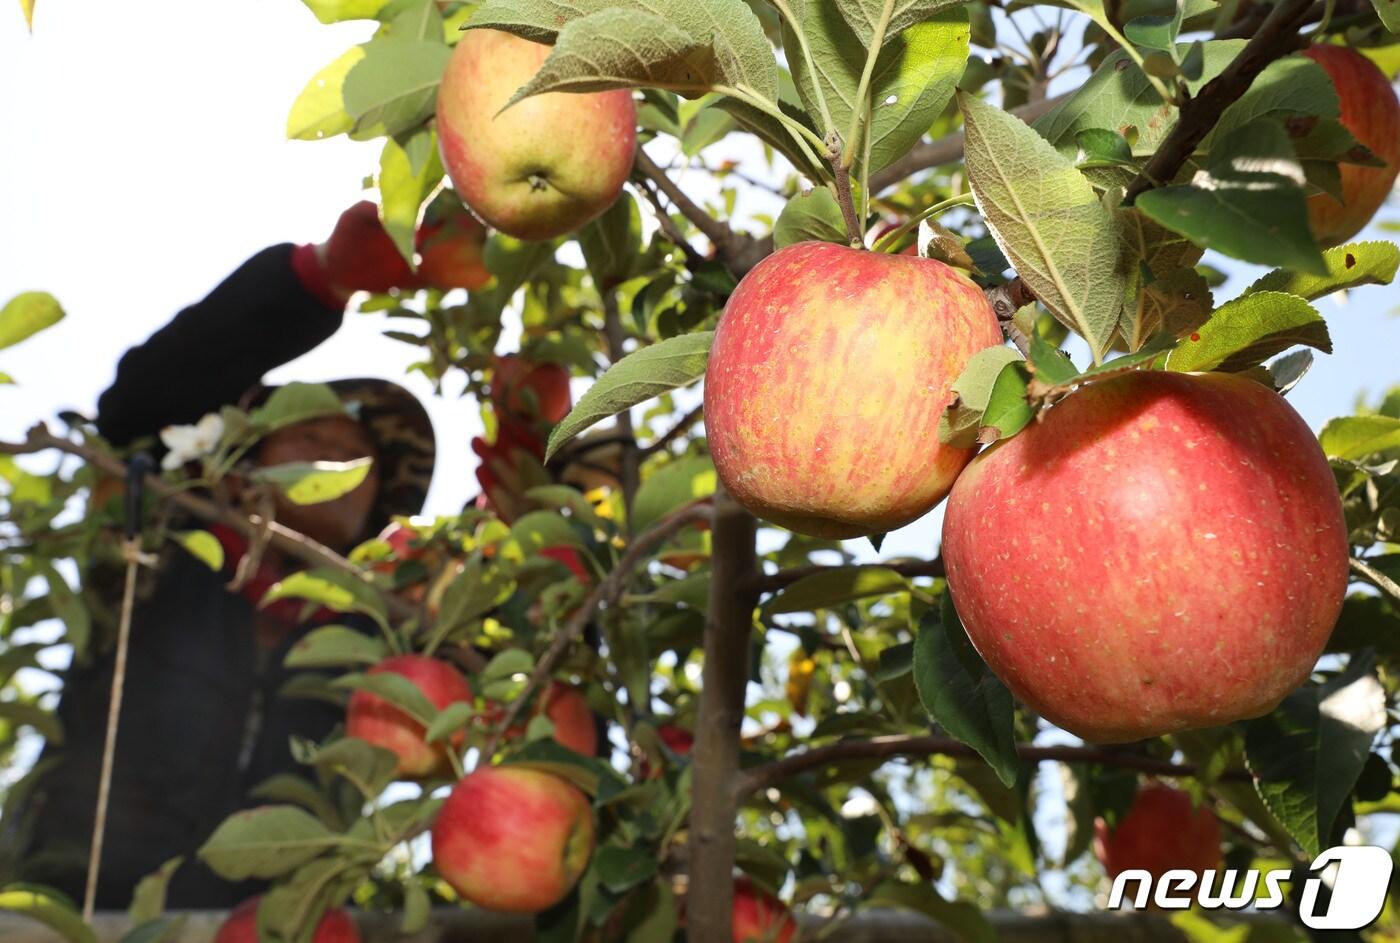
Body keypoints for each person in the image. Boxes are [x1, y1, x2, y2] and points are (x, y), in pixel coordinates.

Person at [5, 203, 435, 908]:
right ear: (237, 466)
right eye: (299, 431)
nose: (328, 448)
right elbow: (137, 407)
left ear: (375, 508)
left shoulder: (384, 638)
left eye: (354, 452)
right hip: (69, 909)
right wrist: (314, 280)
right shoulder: (154, 551)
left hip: (278, 924)